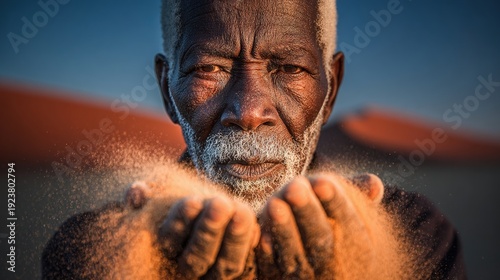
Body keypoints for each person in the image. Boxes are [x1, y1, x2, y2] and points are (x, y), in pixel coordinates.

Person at [42, 0, 467, 279]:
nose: (248, 111)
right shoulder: (88, 256)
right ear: (166, 88)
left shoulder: (417, 238)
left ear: (331, 88)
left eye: (289, 68)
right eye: (208, 68)